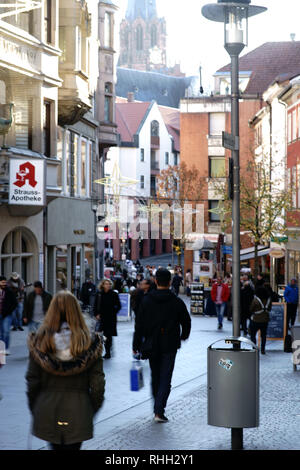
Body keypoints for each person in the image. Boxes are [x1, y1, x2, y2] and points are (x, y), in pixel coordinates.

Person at [25, 291, 105, 450]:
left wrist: (36, 406)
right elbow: (98, 385)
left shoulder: (40, 342)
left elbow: (32, 381)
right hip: (79, 407)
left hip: (47, 406)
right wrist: (91, 408)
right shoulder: (89, 343)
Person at [133, 268, 191, 423]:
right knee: (166, 377)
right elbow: (186, 320)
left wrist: (136, 344)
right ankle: (159, 410)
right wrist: (183, 335)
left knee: (155, 376)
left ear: (156, 281)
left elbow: (139, 325)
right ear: (170, 282)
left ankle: (156, 408)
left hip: (152, 344)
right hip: (170, 344)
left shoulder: (147, 300)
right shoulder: (176, 301)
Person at [94, 279, 121, 359]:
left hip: (110, 318)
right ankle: (99, 350)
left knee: (108, 335)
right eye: (106, 284)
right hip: (101, 318)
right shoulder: (99, 294)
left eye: (109, 284)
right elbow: (95, 305)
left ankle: (108, 352)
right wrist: (96, 314)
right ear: (102, 285)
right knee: (99, 335)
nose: (108, 285)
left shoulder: (114, 294)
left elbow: (118, 306)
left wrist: (113, 312)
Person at [249, 286, 272, 355]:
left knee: (253, 335)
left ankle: (254, 348)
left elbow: (251, 309)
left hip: (255, 320)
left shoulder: (256, 300)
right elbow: (269, 309)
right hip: (265, 320)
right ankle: (263, 349)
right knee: (263, 335)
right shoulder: (268, 300)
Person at [0, 276, 17, 355]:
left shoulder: (9, 291)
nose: (4, 284)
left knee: (6, 331)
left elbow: (15, 303)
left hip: (7, 315)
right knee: (1, 333)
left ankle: (6, 348)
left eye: (5, 282)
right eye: (2, 282)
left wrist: (9, 310)